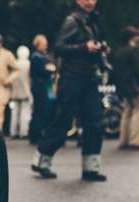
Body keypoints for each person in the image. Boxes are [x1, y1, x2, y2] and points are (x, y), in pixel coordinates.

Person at [31, 0, 108, 182]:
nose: (90, 1)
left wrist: (100, 49)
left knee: (95, 122)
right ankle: (41, 161)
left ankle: (91, 169)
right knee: (63, 120)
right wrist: (84, 47)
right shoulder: (72, 20)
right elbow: (59, 47)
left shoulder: (91, 21)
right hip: (72, 77)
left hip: (89, 78)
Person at [113, 26, 139, 150]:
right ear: (133, 37)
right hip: (137, 86)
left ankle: (123, 140)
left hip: (125, 87)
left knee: (127, 112)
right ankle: (135, 141)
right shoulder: (134, 50)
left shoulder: (119, 51)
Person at [29, 34, 57, 144]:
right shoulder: (36, 57)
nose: (46, 47)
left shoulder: (43, 56)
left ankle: (37, 133)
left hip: (43, 86)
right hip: (39, 87)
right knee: (39, 110)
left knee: (41, 110)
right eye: (44, 45)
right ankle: (35, 135)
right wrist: (50, 69)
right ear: (37, 45)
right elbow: (43, 71)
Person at [10, 46, 33, 138]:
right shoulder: (28, 64)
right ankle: (24, 132)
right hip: (26, 90)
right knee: (25, 112)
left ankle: (13, 132)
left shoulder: (15, 63)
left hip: (15, 90)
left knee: (15, 112)